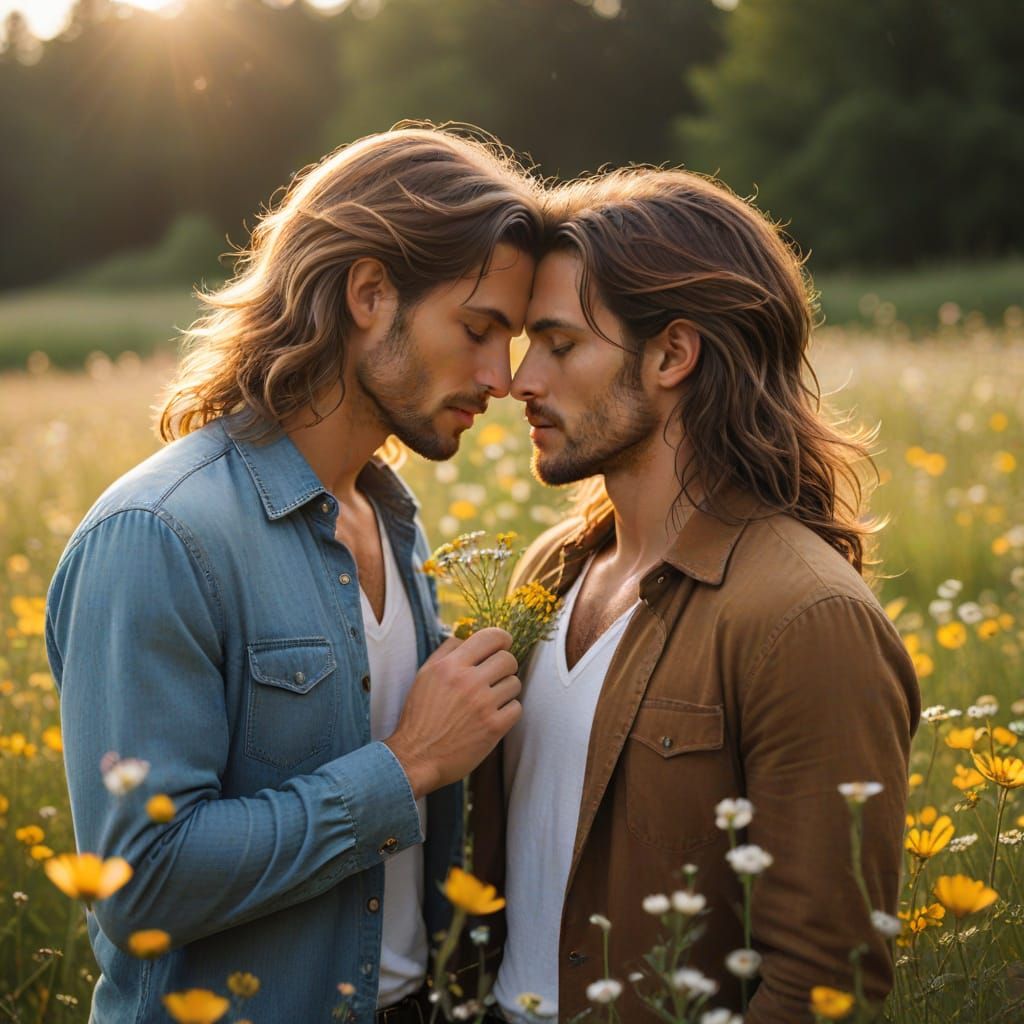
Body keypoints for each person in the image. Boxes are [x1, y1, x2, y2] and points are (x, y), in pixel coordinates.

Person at [45, 124, 540, 1024]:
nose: (499, 378)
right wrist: (409, 764)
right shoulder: (159, 535)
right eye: (477, 330)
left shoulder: (394, 521)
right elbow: (138, 883)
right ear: (369, 293)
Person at [477, 169, 920, 1023]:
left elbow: (821, 984)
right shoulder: (550, 569)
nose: (519, 381)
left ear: (673, 355)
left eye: (560, 345)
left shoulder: (805, 620)